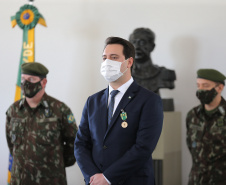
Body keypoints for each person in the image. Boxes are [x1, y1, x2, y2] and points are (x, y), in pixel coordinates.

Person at [74, 37, 163, 185]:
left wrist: (107, 178)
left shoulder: (149, 100)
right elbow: (81, 144)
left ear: (129, 62)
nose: (107, 62)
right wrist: (93, 177)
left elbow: (143, 148)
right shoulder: (93, 101)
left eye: (114, 58)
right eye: (104, 58)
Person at [6, 62, 78, 185]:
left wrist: (56, 164)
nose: (25, 83)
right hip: (20, 180)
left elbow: (75, 142)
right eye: (23, 79)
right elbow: (11, 144)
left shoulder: (60, 109)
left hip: (51, 180)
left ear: (43, 82)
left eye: (31, 79)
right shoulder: (14, 110)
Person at [186, 69, 226, 185]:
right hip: (196, 179)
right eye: (198, 85)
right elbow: (190, 145)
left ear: (219, 88)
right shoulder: (192, 115)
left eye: (206, 85)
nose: (201, 90)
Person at [129, 27, 176, 95]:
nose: (136, 47)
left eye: (142, 43)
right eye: (133, 42)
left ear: (152, 46)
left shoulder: (165, 74)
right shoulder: (123, 76)